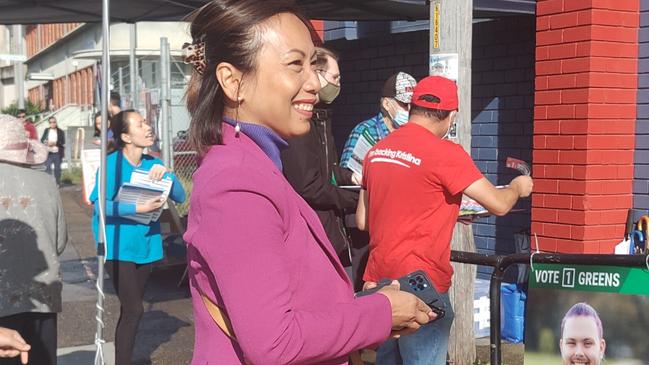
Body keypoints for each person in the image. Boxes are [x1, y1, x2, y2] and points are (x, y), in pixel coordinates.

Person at [182, 1, 435, 364]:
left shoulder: (253, 163)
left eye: (313, 65)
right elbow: (274, 342)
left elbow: (291, 305)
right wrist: (380, 313)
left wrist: (370, 311)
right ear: (233, 81)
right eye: (295, 64)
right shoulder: (236, 182)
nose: (314, 83)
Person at [356, 76, 534, 364]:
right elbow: (499, 205)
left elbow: (364, 219)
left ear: (411, 107)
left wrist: (447, 212)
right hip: (421, 283)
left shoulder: (377, 152)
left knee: (389, 357)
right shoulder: (446, 153)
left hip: (380, 277)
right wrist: (517, 187)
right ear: (452, 116)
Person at [89, 110, 186, 365]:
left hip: (146, 246)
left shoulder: (152, 162)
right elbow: (100, 206)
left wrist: (167, 172)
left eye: (146, 122)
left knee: (130, 311)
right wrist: (136, 209)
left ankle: (124, 357)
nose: (148, 127)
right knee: (134, 308)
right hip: (117, 245)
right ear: (125, 136)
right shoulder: (111, 164)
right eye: (140, 124)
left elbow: (180, 196)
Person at [281, 46, 358, 270]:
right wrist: (357, 199)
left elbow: (326, 169)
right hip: (312, 236)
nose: (338, 85)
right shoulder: (300, 124)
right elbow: (309, 186)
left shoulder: (321, 119)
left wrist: (351, 177)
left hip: (328, 231)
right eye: (335, 77)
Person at [0, 114, 67, 365]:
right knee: (42, 358)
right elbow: (60, 242)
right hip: (43, 293)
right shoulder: (47, 182)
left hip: (2, 296)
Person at [339, 71, 416, 175]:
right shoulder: (365, 131)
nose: (410, 110)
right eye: (405, 104)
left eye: (414, 106)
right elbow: (346, 176)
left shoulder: (415, 133)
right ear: (386, 104)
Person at [40, 116, 66, 186]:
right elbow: (42, 140)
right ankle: (49, 183)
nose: (52, 124)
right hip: (49, 153)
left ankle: (57, 183)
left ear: (56, 122)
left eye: (54, 122)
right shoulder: (47, 130)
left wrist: (54, 143)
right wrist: (46, 142)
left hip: (57, 153)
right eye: (50, 122)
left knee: (57, 169)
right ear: (49, 123)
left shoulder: (60, 131)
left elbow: (62, 141)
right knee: (47, 168)